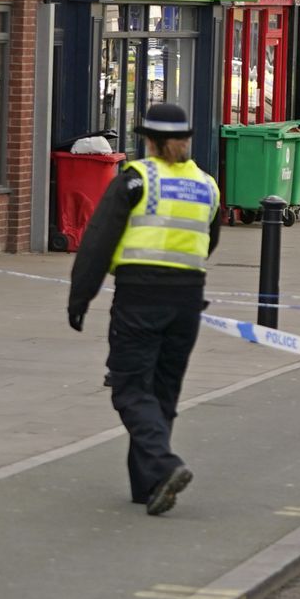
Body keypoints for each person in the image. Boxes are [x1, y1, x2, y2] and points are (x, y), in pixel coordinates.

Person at [67, 102, 222, 516]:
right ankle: (149, 485)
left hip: (139, 295)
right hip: (188, 298)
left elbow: (98, 241)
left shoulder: (136, 180)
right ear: (186, 139)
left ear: (148, 141)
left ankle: (165, 465)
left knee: (130, 388)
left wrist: (80, 298)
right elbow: (210, 239)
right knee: (163, 392)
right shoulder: (207, 184)